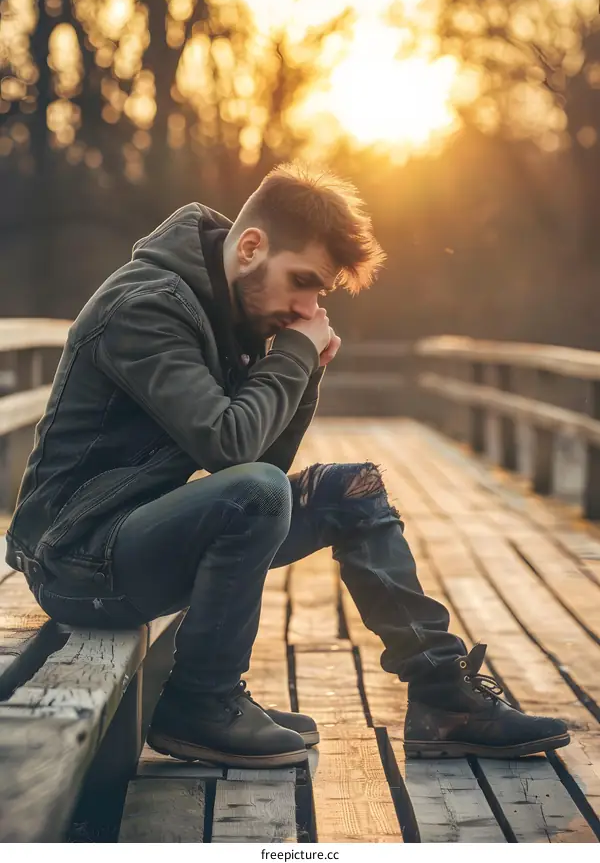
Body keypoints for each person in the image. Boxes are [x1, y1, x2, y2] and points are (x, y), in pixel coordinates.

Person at [6, 164, 569, 768]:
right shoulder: (146, 306)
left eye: (320, 294)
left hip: (136, 538)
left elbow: (264, 468)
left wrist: (307, 372)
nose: (308, 307)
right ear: (251, 247)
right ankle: (201, 701)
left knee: (353, 490)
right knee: (257, 491)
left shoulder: (231, 309)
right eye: (302, 282)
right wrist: (296, 354)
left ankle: (442, 695)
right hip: (78, 560)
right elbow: (234, 453)